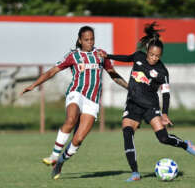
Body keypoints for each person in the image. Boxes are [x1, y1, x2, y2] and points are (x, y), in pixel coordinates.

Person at [99, 22, 195, 182]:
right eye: (152, 55)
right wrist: (108, 56)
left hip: (150, 106)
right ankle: (135, 173)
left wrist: (165, 113)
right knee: (127, 133)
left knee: (163, 138)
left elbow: (166, 94)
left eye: (157, 56)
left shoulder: (162, 71)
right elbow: (126, 58)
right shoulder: (138, 56)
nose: (154, 58)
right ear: (147, 51)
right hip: (133, 103)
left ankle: (186, 145)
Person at [20, 26, 128, 180]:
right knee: (71, 119)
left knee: (78, 139)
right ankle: (53, 155)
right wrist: (34, 85)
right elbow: (52, 71)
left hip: (92, 100)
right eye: (86, 39)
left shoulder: (101, 55)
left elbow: (113, 75)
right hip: (76, 93)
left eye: (92, 39)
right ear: (80, 40)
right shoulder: (73, 56)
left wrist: (129, 87)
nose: (90, 42)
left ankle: (60, 163)